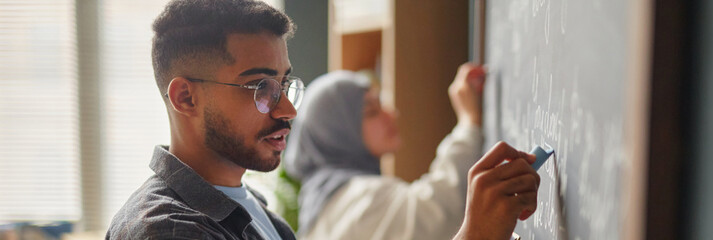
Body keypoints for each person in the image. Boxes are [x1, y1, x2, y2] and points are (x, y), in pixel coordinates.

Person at [106, 0, 540, 239]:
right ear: (185, 97)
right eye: (260, 88)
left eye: (284, 85)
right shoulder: (168, 232)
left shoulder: (252, 209)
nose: (287, 110)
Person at [283, 64, 487, 240]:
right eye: (371, 111)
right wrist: (468, 123)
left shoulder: (323, 206)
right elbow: (440, 209)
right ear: (337, 133)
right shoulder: (358, 199)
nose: (391, 114)